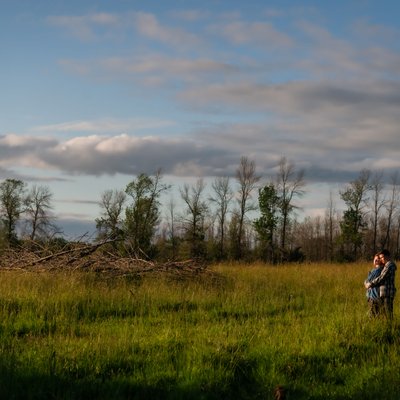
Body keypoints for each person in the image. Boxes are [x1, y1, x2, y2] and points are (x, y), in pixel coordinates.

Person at [365, 249, 397, 320]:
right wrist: (367, 283)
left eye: (382, 257)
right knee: (385, 314)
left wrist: (370, 284)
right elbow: (367, 279)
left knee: (388, 314)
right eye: (381, 258)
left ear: (388, 256)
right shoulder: (386, 266)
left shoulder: (389, 265)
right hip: (384, 293)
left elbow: (382, 277)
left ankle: (390, 328)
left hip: (387, 292)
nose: (382, 259)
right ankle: (388, 327)